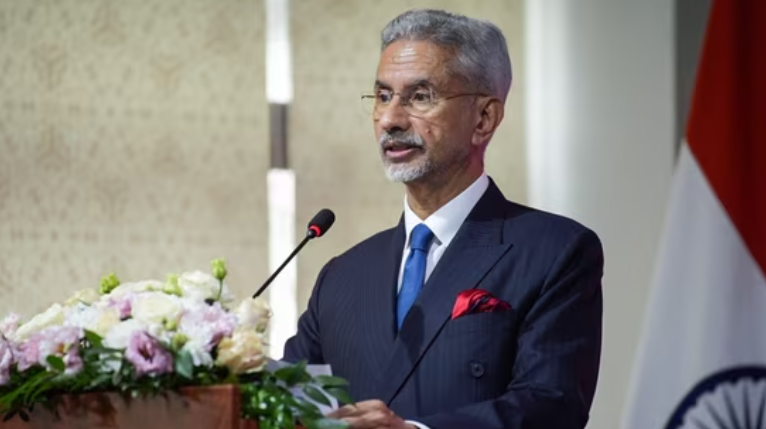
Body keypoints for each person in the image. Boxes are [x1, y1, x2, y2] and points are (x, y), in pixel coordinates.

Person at [283, 8, 603, 429]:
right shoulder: (342, 276)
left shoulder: (554, 251)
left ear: (483, 118)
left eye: (420, 97)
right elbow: (286, 404)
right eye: (383, 96)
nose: (390, 119)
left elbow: (551, 406)